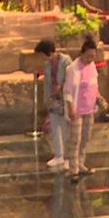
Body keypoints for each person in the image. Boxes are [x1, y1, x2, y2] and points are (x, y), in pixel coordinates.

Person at [63, 38, 105, 180]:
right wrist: (71, 109)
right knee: (75, 139)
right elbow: (67, 92)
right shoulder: (73, 69)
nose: (91, 59)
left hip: (89, 109)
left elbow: (94, 86)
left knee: (85, 138)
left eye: (93, 56)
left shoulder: (92, 67)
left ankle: (81, 164)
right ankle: (73, 169)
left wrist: (99, 98)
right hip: (77, 110)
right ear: (82, 53)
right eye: (88, 56)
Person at [35, 40, 72, 169]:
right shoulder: (47, 65)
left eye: (42, 55)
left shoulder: (66, 61)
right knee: (55, 127)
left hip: (64, 99)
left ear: (49, 52)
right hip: (53, 100)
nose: (42, 58)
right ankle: (58, 155)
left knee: (65, 129)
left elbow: (71, 78)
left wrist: (61, 87)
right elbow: (47, 84)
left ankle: (68, 157)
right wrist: (48, 100)